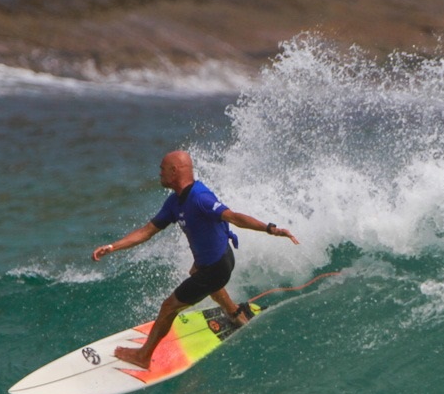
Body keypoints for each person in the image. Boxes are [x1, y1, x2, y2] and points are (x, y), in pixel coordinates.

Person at [92, 150, 299, 368]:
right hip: (212, 262)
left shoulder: (200, 198)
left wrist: (270, 229)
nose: (159, 173)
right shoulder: (174, 202)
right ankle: (235, 314)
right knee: (197, 274)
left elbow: (234, 217)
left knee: (168, 307)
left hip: (217, 266)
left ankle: (143, 356)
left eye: (163, 169)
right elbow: (147, 231)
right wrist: (113, 247)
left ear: (174, 171)